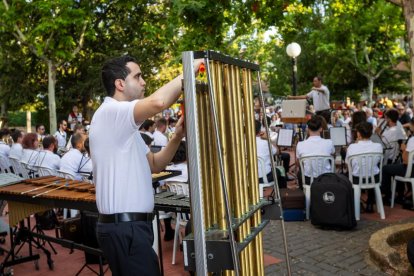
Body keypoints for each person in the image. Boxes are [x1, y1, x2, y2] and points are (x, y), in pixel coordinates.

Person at [89, 55, 202, 276]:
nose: (143, 82)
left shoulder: (126, 128)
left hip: (132, 227)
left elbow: (155, 163)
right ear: (120, 84)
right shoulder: (111, 112)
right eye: (137, 76)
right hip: (125, 228)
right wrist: (188, 72)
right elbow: (158, 102)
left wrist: (177, 136)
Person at [345, 122, 383, 213]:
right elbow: (377, 162)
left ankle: (355, 203)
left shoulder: (352, 147)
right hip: (374, 179)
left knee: (347, 175)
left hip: (357, 179)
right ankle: (370, 203)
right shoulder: (378, 146)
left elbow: (348, 164)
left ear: (358, 133)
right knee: (370, 171)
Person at [381, 117, 414, 205]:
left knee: (385, 168)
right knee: (397, 167)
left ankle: (387, 195)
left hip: (411, 170)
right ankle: (400, 195)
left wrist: (403, 149)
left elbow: (406, 161)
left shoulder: (412, 140)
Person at [296, 116, 335, 189]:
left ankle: (304, 193)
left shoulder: (300, 144)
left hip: (308, 179)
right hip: (326, 178)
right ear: (321, 129)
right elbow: (333, 156)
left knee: (300, 171)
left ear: (308, 129)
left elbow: (298, 163)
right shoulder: (329, 142)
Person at [255, 120, 286, 189]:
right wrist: (268, 139)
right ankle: (281, 195)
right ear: (260, 130)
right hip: (263, 177)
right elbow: (277, 152)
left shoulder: (241, 143)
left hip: (247, 177)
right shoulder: (265, 143)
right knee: (280, 171)